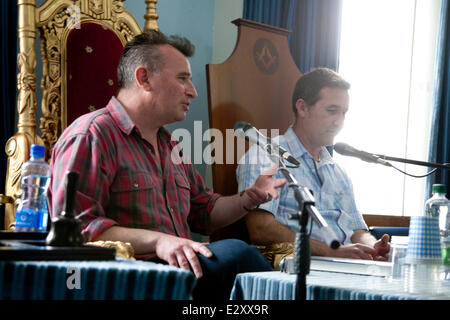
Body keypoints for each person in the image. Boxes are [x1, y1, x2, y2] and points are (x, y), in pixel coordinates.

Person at [48, 30, 286, 300]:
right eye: (183, 78)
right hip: (125, 276)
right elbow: (78, 230)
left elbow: (205, 211)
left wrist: (248, 199)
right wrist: (159, 241)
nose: (193, 92)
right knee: (240, 254)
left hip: (182, 276)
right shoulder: (91, 136)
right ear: (144, 78)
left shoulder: (170, 144)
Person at [236, 68, 390, 262]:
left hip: (344, 266)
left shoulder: (338, 171)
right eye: (332, 111)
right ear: (302, 107)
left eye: (344, 113)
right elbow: (260, 229)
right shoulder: (265, 156)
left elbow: (357, 230)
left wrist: (372, 246)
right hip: (299, 268)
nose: (339, 122)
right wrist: (330, 251)